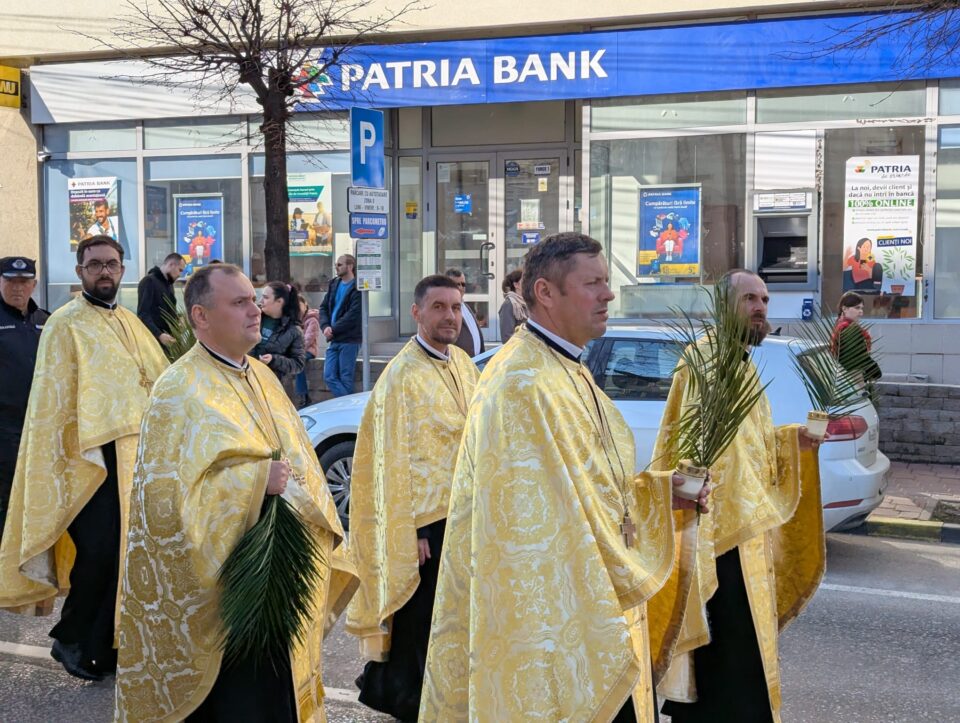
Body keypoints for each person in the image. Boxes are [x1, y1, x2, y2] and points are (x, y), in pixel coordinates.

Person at [421, 233, 707, 722]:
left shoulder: (566, 367)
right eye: (592, 283)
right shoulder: (522, 384)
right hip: (550, 623)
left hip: (585, 602)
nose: (608, 294)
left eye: (606, 282)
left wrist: (662, 493)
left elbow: (590, 484)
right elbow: (525, 540)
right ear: (546, 293)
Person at [115, 263, 356, 722]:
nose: (255, 311)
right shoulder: (178, 390)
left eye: (254, 299)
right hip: (226, 588)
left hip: (278, 566)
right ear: (201, 317)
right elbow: (165, 504)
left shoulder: (261, 376)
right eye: (240, 302)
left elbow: (297, 458)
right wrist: (252, 483)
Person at [650, 269, 825, 723]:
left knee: (740, 655)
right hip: (718, 535)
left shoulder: (739, 362)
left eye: (764, 299)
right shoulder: (704, 359)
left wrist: (793, 440)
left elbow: (750, 444)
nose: (760, 308)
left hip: (745, 533)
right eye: (749, 298)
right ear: (724, 306)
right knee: (728, 659)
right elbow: (689, 444)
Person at [0, 235, 167, 682]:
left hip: (133, 459)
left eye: (111, 264)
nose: (104, 272)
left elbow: (157, 381)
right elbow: (53, 400)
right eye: (95, 265)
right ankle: (69, 636)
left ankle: (104, 645)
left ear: (122, 269)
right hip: (85, 459)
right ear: (80, 272)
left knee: (123, 555)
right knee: (97, 552)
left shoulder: (132, 323)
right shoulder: (65, 324)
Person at [348, 274, 480, 722]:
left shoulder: (463, 363)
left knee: (454, 615)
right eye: (440, 307)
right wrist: (414, 530)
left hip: (465, 513)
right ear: (417, 313)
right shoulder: (401, 376)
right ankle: (411, 701)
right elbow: (391, 457)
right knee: (421, 618)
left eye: (457, 307)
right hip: (426, 524)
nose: (450, 316)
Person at [0, 257, 49, 534]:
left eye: (23, 282)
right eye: (10, 281)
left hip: (41, 430)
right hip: (5, 432)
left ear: (34, 284)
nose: (17, 288)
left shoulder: (47, 321)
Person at [318, 255, 362, 397]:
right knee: (329, 376)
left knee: (345, 377)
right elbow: (324, 307)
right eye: (336, 264)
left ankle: (346, 409)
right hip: (333, 338)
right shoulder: (334, 284)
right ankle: (347, 404)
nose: (336, 267)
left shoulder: (357, 287)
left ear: (350, 266)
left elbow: (353, 315)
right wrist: (325, 327)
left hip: (349, 339)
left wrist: (333, 329)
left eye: (340, 264)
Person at [252, 281, 305, 383]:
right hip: (244, 378)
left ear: (279, 301)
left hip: (270, 383)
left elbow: (298, 365)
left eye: (266, 298)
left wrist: (274, 360)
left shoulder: (294, 331)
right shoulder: (253, 317)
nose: (261, 301)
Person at [831, 291, 882, 382]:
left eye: (862, 308)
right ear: (844, 309)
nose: (861, 312)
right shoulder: (848, 329)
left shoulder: (841, 325)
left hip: (847, 377)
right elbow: (856, 360)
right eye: (857, 308)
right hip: (855, 378)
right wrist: (874, 371)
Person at [136, 252, 185, 347]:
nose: (180, 275)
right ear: (171, 264)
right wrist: (159, 335)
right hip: (154, 343)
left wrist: (179, 318)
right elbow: (143, 314)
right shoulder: (148, 281)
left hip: (169, 340)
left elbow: (167, 310)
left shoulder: (169, 285)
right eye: (180, 270)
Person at [444, 268, 485, 356]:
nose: (460, 287)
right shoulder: (446, 311)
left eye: (463, 284)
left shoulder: (465, 306)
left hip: (476, 362)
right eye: (456, 284)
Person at [295, 294, 321, 408]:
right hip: (297, 351)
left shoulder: (312, 320)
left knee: (298, 364)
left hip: (309, 350)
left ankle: (303, 396)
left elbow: (309, 339)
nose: (298, 308)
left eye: (300, 305)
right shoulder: (293, 319)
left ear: (305, 305)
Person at [497, 268, 527, 343]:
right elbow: (507, 337)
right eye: (525, 280)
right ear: (516, 285)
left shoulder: (526, 302)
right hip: (518, 351)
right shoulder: (509, 304)